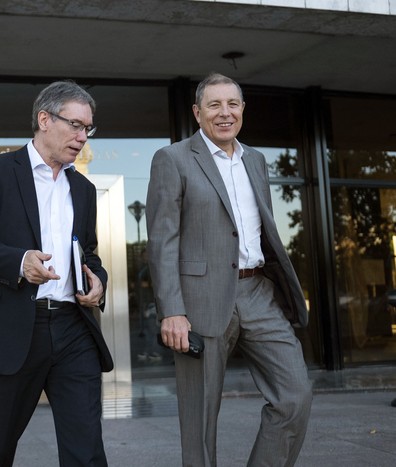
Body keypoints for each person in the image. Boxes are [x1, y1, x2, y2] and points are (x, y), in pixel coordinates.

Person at [145, 72, 313, 467]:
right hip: (200, 300)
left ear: (242, 110)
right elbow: (162, 241)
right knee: (200, 420)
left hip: (258, 292)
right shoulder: (173, 159)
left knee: (294, 395)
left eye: (232, 104)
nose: (225, 113)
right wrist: (172, 310)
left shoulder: (256, 159)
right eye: (214, 105)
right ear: (197, 112)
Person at [0, 80, 112, 467]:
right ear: (44, 119)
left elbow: (87, 252)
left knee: (86, 449)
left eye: (87, 128)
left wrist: (98, 279)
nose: (82, 136)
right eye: (75, 125)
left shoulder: (84, 189)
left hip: (74, 330)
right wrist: (19, 261)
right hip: (12, 327)